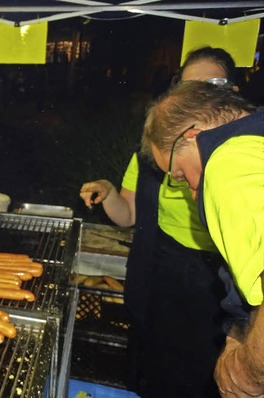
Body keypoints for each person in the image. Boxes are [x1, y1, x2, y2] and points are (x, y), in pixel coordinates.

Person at [78, 47, 246, 397]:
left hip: (213, 286)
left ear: (231, 92)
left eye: (209, 86)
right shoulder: (156, 148)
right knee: (149, 368)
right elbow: (130, 214)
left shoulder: (245, 159)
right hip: (158, 272)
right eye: (188, 88)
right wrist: (109, 192)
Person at [141, 80, 264, 398]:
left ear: (192, 136)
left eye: (179, 175)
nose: (194, 192)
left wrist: (250, 372)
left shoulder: (228, 164)